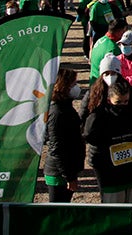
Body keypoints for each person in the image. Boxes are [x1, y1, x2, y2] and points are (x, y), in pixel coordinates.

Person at [83, 76, 132, 203]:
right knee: (115, 212)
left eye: (126, 102)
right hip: (112, 176)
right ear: (109, 100)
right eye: (118, 102)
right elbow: (90, 138)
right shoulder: (99, 117)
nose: (123, 105)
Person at [42, 68, 85, 203]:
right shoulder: (57, 113)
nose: (76, 87)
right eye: (73, 84)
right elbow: (57, 148)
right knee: (58, 209)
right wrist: (69, 177)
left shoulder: (64, 107)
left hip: (65, 169)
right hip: (58, 173)